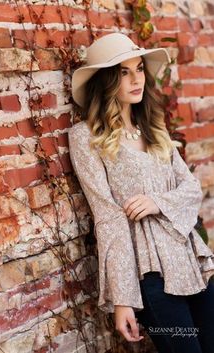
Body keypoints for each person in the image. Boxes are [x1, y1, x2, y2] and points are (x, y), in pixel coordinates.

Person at [67, 32, 214, 353]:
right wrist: (122, 300)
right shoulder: (85, 137)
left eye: (139, 69)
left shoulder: (153, 128)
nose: (136, 79)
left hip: (192, 262)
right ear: (105, 80)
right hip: (151, 276)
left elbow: (191, 189)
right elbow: (107, 218)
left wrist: (156, 202)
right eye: (123, 72)